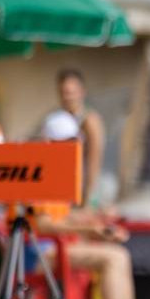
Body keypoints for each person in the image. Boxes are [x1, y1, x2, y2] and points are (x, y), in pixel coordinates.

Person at [32, 110, 150, 299]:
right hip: (39, 252)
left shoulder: (57, 172)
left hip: (54, 246)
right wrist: (90, 229)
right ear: (49, 143)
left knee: (119, 254)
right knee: (113, 258)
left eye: (74, 142)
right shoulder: (39, 171)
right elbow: (43, 226)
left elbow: (61, 217)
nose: (72, 147)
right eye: (65, 142)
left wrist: (98, 221)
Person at [56, 68, 106, 207]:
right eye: (63, 93)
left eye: (71, 93)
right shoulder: (61, 120)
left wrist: (88, 201)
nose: (67, 97)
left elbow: (94, 162)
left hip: (87, 196)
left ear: (82, 93)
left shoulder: (89, 121)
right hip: (67, 196)